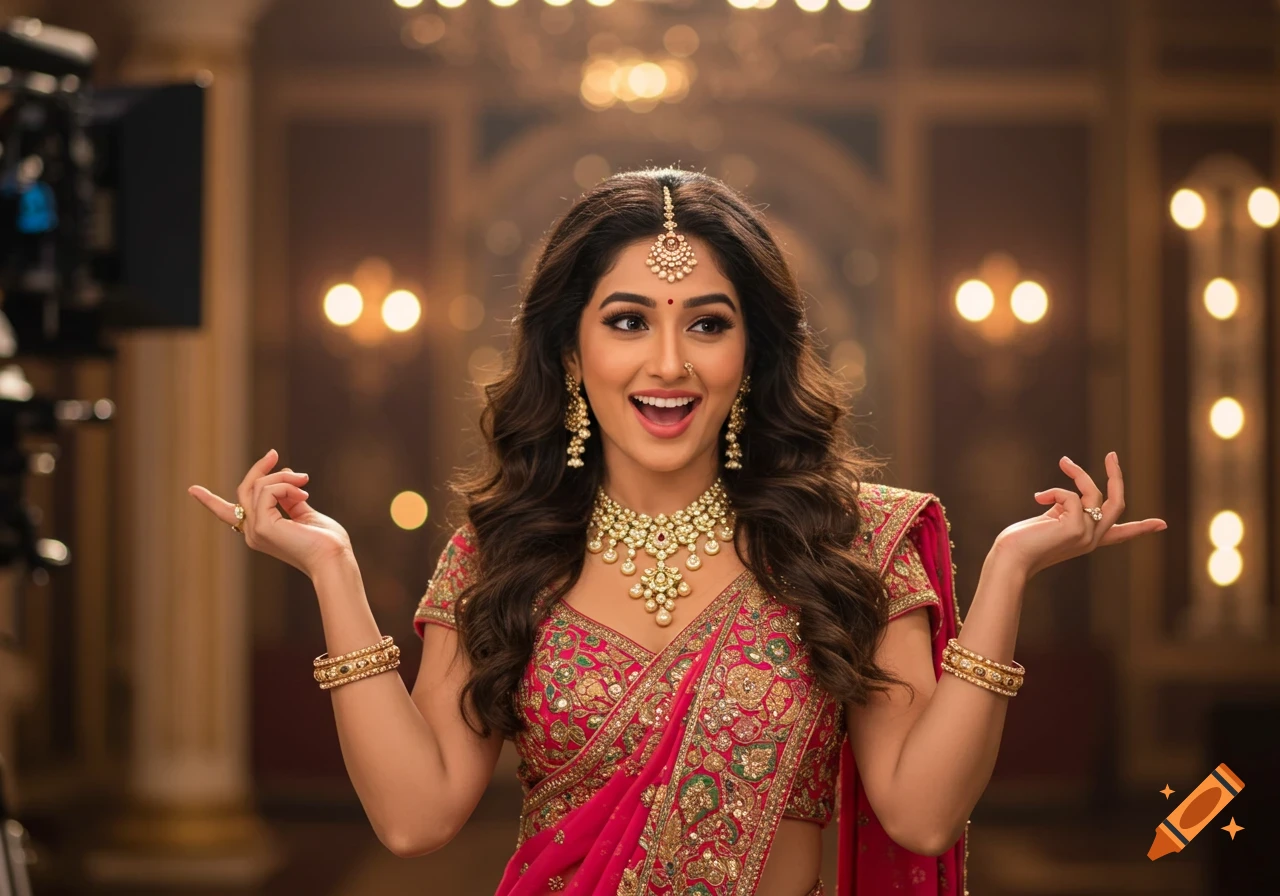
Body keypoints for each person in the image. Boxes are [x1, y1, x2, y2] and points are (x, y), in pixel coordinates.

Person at [188, 169, 1167, 896]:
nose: (668, 362)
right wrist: (331, 567)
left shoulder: (849, 546)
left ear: (752, 348)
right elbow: (413, 816)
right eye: (625, 320)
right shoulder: (502, 555)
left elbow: (916, 809)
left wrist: (1004, 571)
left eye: (706, 323)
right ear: (569, 346)